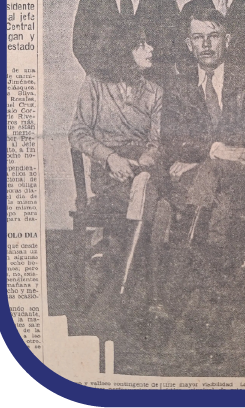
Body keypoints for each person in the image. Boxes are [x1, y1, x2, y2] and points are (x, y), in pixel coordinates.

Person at [68, 23, 169, 315]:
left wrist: (147, 161)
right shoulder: (95, 85)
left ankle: (126, 295)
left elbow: (156, 141)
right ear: (124, 51)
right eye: (142, 45)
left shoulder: (154, 92)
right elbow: (77, 133)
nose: (151, 50)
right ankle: (152, 299)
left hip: (143, 168)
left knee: (151, 192)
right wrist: (110, 158)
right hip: (109, 172)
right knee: (159, 207)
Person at [161, 8, 245, 257]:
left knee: (207, 178)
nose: (206, 45)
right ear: (189, 44)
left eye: (214, 36)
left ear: (228, 40)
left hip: (242, 175)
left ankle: (188, 261)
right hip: (202, 181)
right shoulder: (179, 86)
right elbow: (172, 139)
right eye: (198, 37)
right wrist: (215, 151)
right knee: (216, 196)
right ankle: (212, 268)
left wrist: (204, 158)